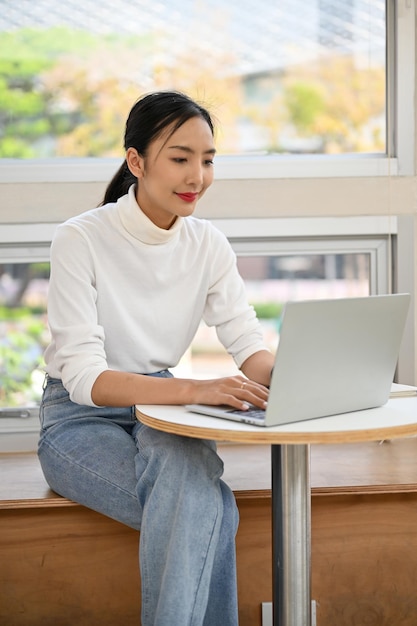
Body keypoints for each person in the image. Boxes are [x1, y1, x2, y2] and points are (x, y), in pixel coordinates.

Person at [38, 90, 275, 626]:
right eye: (180, 157)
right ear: (136, 161)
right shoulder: (80, 239)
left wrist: (299, 377)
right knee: (207, 506)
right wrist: (195, 390)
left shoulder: (208, 244)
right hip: (79, 419)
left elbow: (247, 344)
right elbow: (85, 378)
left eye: (208, 159)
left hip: (164, 410)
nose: (197, 176)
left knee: (195, 497)